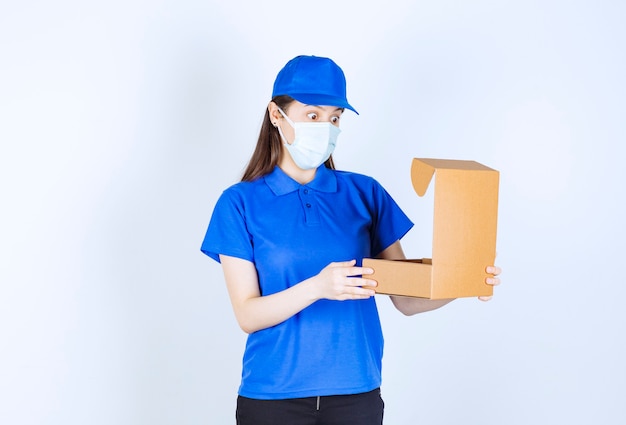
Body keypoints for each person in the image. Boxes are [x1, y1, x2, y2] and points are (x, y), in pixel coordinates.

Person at [200, 55, 501, 425]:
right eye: (313, 115)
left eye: (335, 118)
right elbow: (247, 314)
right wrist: (319, 286)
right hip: (272, 397)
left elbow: (406, 298)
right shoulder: (239, 203)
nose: (326, 127)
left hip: (356, 395)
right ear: (277, 116)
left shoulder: (364, 194)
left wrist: (464, 281)